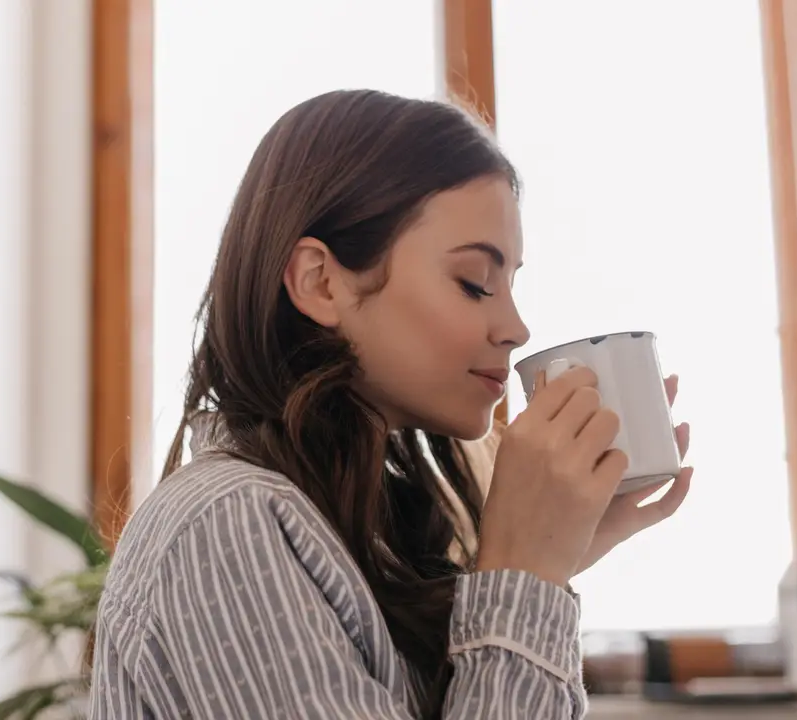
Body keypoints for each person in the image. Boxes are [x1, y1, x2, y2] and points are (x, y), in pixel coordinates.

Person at [89, 89, 693, 719]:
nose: (516, 327)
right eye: (474, 284)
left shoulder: (366, 530)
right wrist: (523, 577)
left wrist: (552, 555)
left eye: (510, 285)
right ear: (320, 282)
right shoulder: (228, 523)